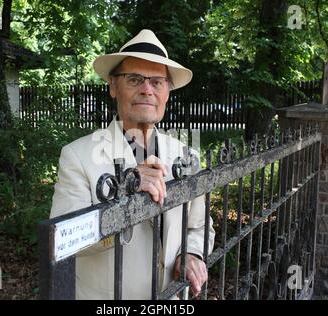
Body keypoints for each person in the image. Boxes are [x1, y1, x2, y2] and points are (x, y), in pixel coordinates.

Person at [50, 29, 215, 299]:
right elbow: (63, 242)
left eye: (157, 82)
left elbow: (199, 225)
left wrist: (192, 252)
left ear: (167, 92)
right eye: (135, 79)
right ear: (113, 86)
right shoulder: (77, 156)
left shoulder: (188, 156)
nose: (147, 89)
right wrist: (123, 192)